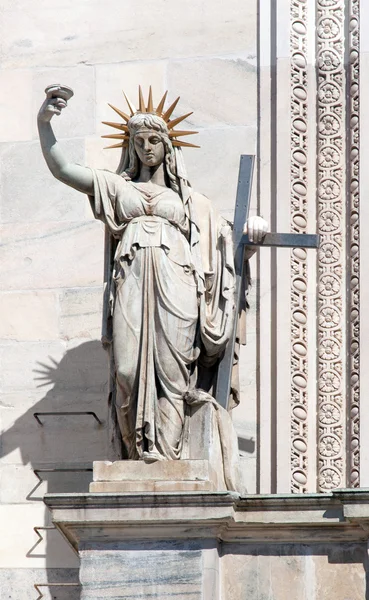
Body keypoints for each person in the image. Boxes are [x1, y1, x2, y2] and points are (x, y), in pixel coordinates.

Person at [37, 86, 267, 463]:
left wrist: (251, 235)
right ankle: (135, 447)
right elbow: (62, 169)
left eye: (154, 140)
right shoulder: (116, 187)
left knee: (174, 371)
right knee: (127, 370)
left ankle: (165, 452)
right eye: (138, 140)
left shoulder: (192, 202)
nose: (146, 147)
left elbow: (225, 246)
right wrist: (44, 121)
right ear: (130, 146)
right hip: (132, 279)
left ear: (167, 146)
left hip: (176, 282)